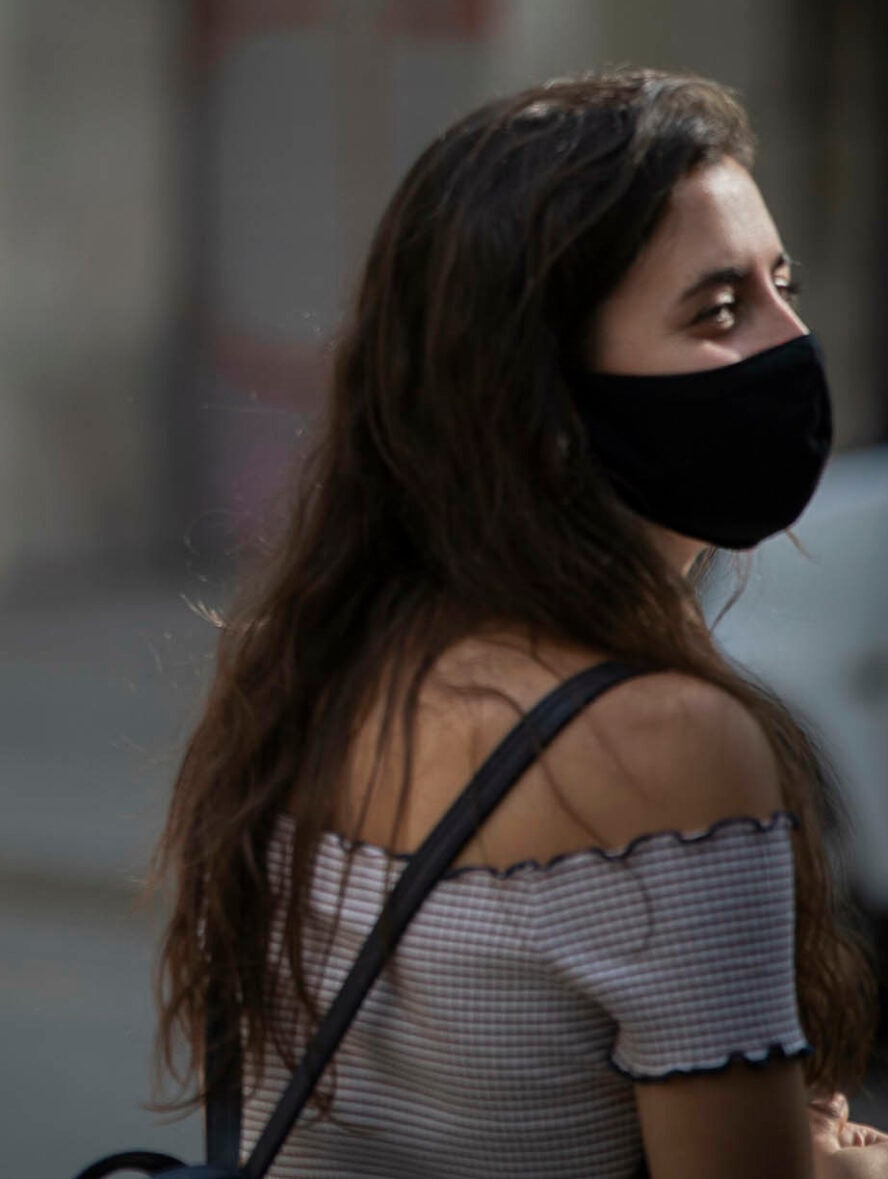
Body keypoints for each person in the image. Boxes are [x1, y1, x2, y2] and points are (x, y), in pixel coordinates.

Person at [153, 70, 886, 1178]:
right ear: (539, 394)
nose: (790, 343)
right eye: (718, 311)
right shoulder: (661, 743)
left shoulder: (312, 660)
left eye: (780, 284)